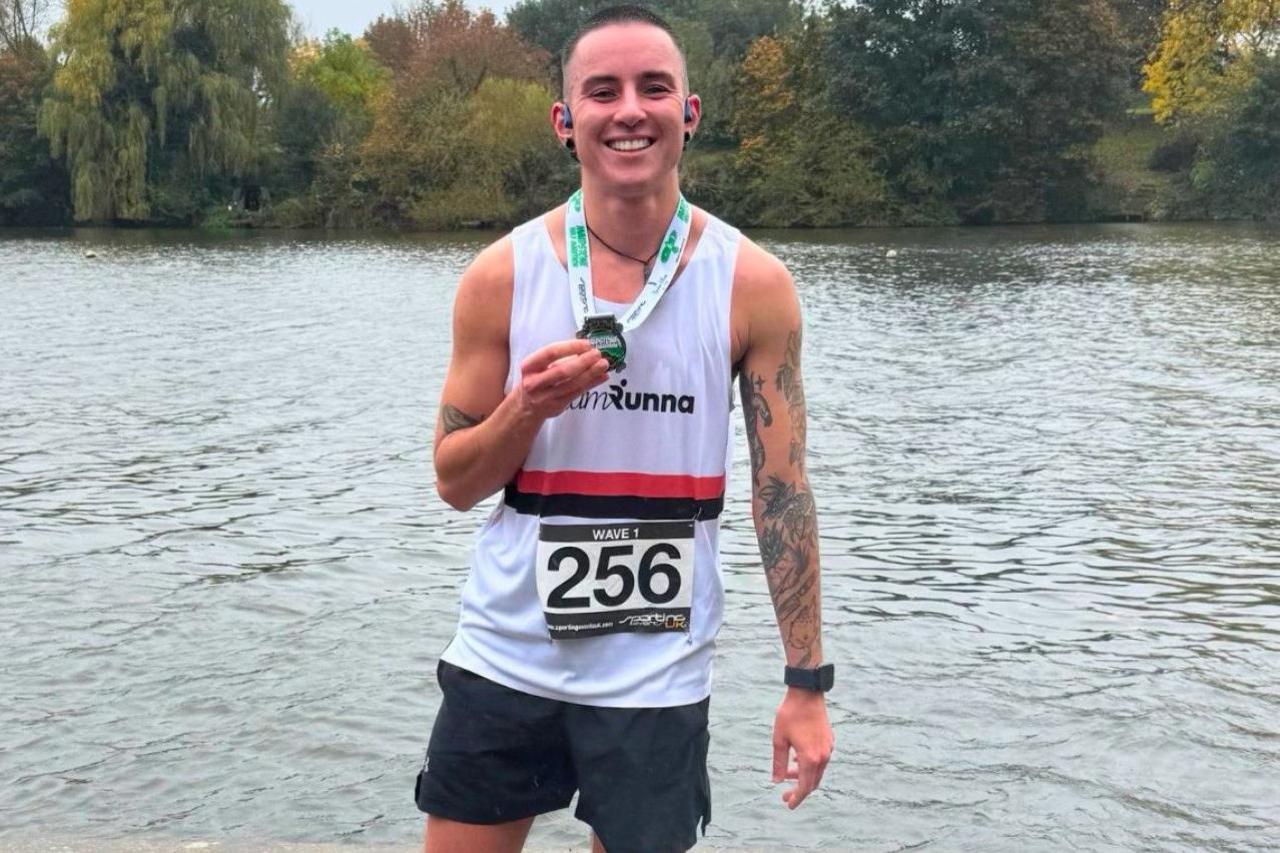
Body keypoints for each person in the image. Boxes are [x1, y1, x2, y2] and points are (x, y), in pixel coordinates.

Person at [416, 6, 834, 852]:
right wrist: (525, 409)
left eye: (655, 87)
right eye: (602, 92)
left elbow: (782, 492)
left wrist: (807, 683)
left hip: (657, 671)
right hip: (508, 654)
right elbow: (456, 483)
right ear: (566, 123)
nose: (629, 110)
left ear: (691, 112)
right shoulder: (502, 275)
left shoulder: (752, 285)